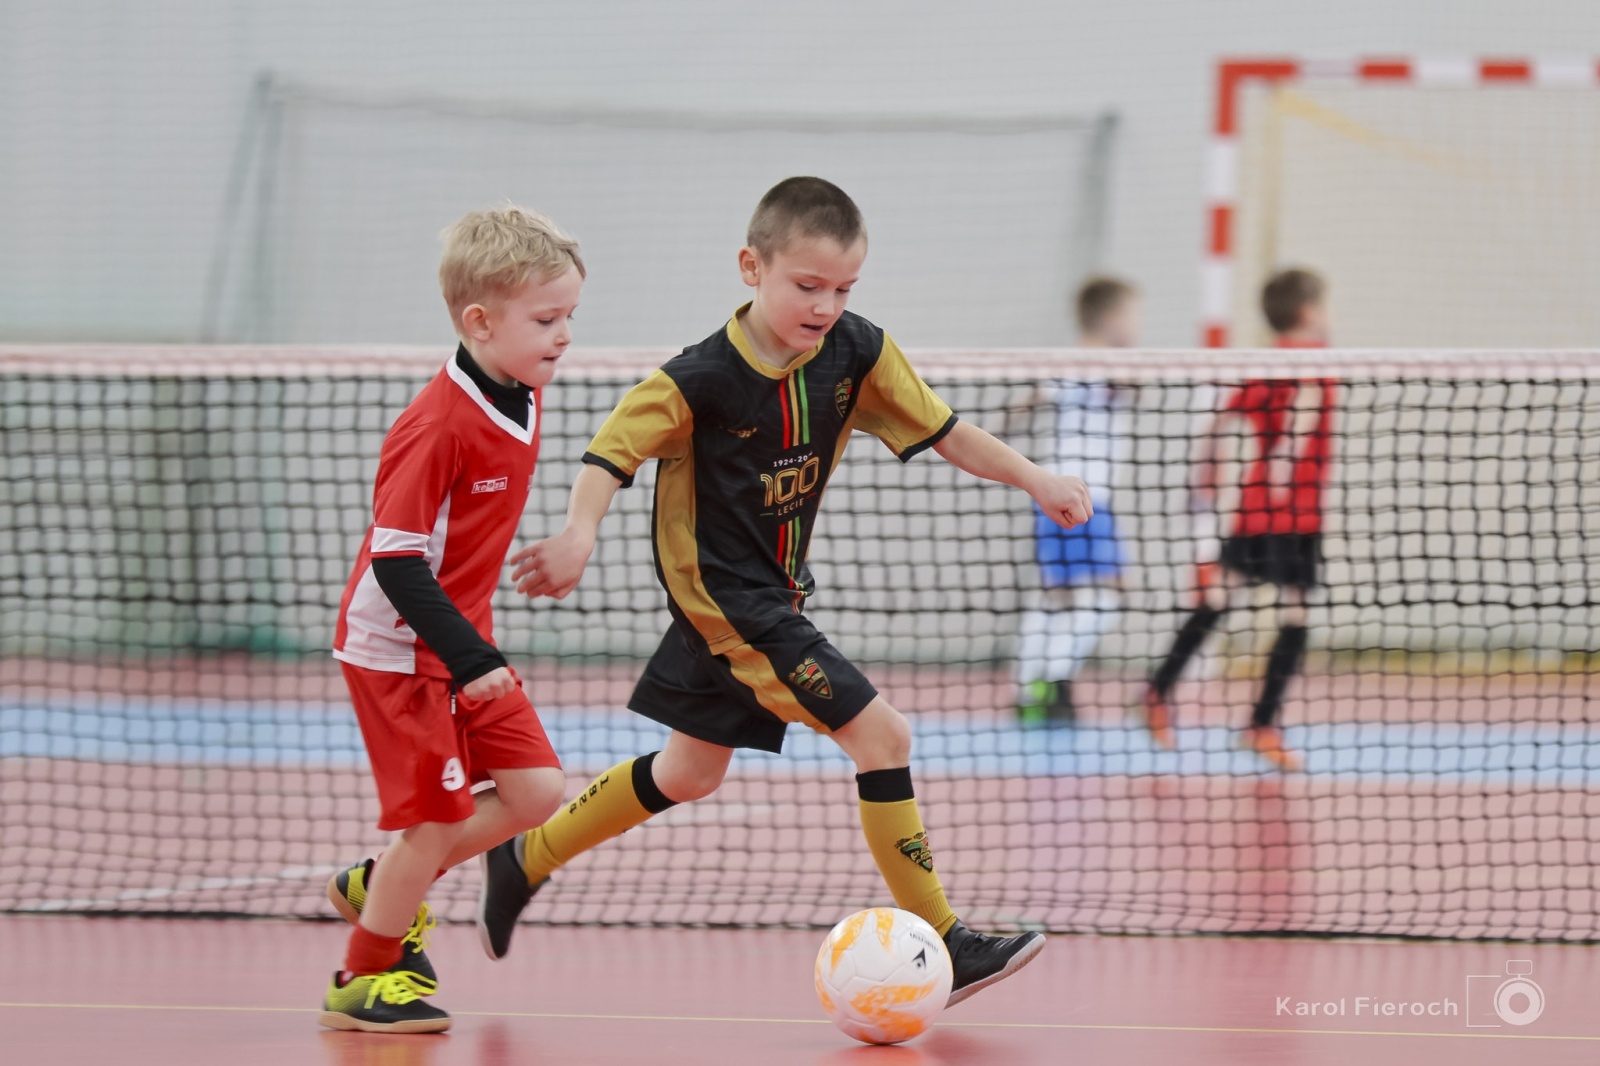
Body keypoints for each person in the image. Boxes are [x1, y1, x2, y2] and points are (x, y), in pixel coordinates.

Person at [482, 177, 1092, 1007]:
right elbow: (610, 454)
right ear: (752, 267)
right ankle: (946, 941)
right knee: (884, 736)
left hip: (776, 595)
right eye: (807, 286)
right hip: (729, 607)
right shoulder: (699, 378)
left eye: (843, 288)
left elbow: (949, 431)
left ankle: (523, 858)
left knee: (689, 773)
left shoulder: (857, 352)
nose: (825, 306)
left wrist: (1036, 478)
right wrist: (579, 533)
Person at [319, 206, 582, 1033]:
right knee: (436, 825)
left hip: (463, 642)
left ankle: (380, 883)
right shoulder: (436, 425)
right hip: (401, 653)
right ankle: (362, 977)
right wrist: (471, 658)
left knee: (537, 793)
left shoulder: (523, 392)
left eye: (569, 316)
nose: (564, 335)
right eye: (546, 319)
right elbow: (396, 562)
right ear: (479, 322)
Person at [1141, 268, 1335, 772]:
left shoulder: (1266, 360)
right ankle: (1261, 724)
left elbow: (1224, 419)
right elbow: (1306, 399)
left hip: (1256, 507)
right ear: (1309, 312)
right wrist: (1287, 454)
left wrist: (1204, 468)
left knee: (1220, 597)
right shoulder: (1312, 355)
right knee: (1295, 613)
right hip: (1293, 510)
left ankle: (1158, 690)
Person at [1006, 277, 1138, 725]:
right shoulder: (1098, 362)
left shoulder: (1067, 363)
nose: (1137, 327)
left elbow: (1027, 403)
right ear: (1112, 318)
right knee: (1112, 592)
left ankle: (1027, 687)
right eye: (1132, 317)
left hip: (1052, 494)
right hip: (1087, 497)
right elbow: (1129, 388)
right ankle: (1053, 675)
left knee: (1056, 596)